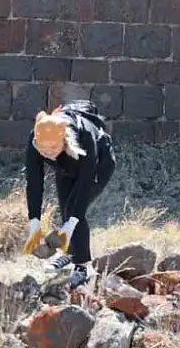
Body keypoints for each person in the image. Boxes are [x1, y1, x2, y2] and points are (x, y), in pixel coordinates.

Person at [22, 100, 116, 287]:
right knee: (66, 209)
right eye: (43, 149)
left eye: (53, 148)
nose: (47, 153)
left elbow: (84, 184)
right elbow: (34, 183)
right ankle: (70, 254)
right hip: (65, 166)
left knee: (73, 211)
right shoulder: (37, 138)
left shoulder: (85, 136)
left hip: (97, 164)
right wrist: (34, 223)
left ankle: (82, 267)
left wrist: (72, 222)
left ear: (64, 140)